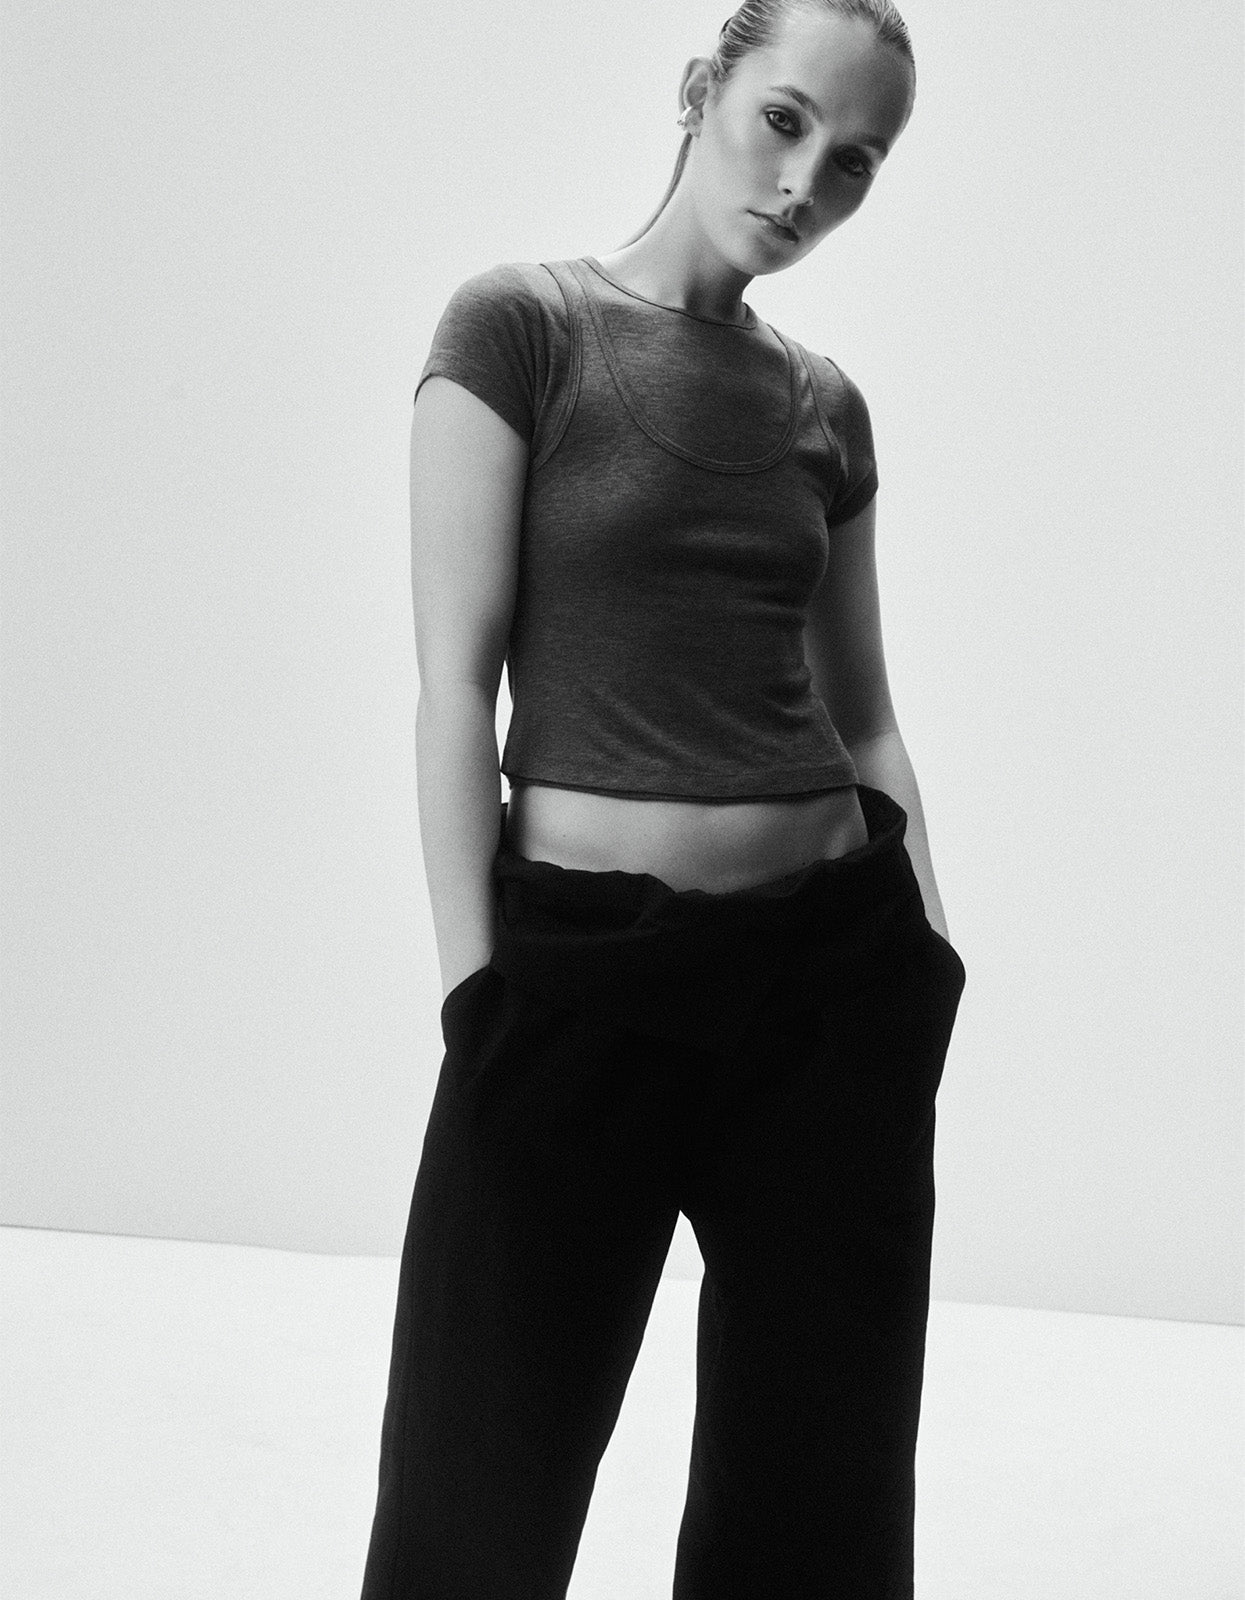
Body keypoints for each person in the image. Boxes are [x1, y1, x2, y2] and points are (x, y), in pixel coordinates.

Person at [359, 3, 967, 1595]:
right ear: (703, 90)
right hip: (577, 983)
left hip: (829, 991)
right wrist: (476, 994)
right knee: (476, 1491)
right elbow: (454, 687)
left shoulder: (825, 405)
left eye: (856, 161)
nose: (807, 182)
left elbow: (865, 717)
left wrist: (924, 960)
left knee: (816, 1509)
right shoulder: (521, 329)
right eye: (785, 121)